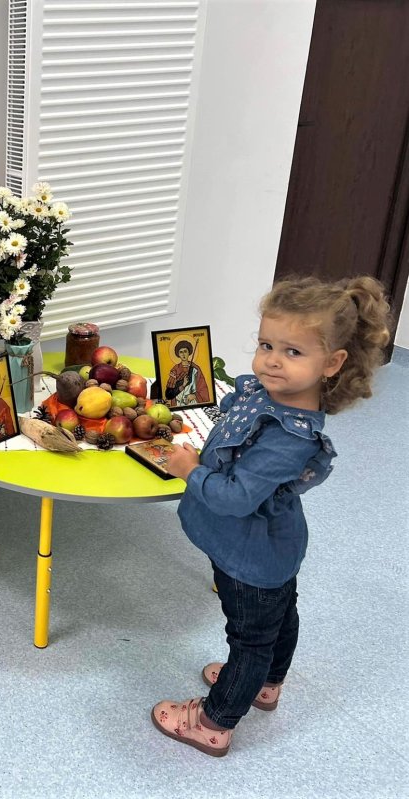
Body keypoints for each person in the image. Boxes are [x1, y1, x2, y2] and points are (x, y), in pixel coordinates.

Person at [151, 276, 391, 757]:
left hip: (251, 556)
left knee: (250, 640)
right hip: (270, 546)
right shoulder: (271, 396)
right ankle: (266, 684)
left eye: (293, 351)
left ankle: (214, 722)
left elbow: (236, 498)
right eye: (266, 345)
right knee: (279, 619)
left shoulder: (290, 438)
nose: (272, 360)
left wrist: (190, 470)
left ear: (333, 363)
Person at [164, 338, 210, 406]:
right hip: (178, 404)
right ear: (178, 354)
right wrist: (183, 385)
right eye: (181, 352)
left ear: (189, 353)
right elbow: (169, 394)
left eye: (185, 351)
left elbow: (203, 388)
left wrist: (194, 395)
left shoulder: (195, 369)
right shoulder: (175, 370)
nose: (183, 354)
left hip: (193, 402)